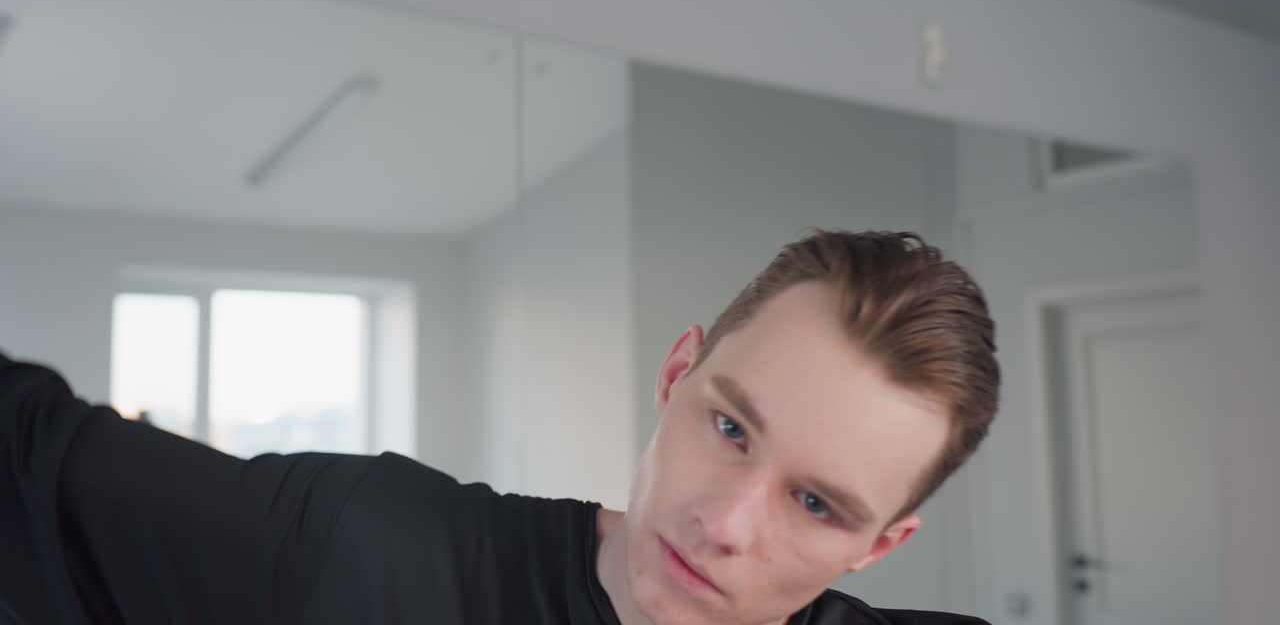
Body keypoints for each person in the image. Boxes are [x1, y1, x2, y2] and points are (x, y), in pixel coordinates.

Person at [0, 229, 998, 625]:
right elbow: (32, 453)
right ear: (675, 372)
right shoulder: (365, 551)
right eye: (730, 429)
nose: (726, 525)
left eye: (815, 504)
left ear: (878, 548)